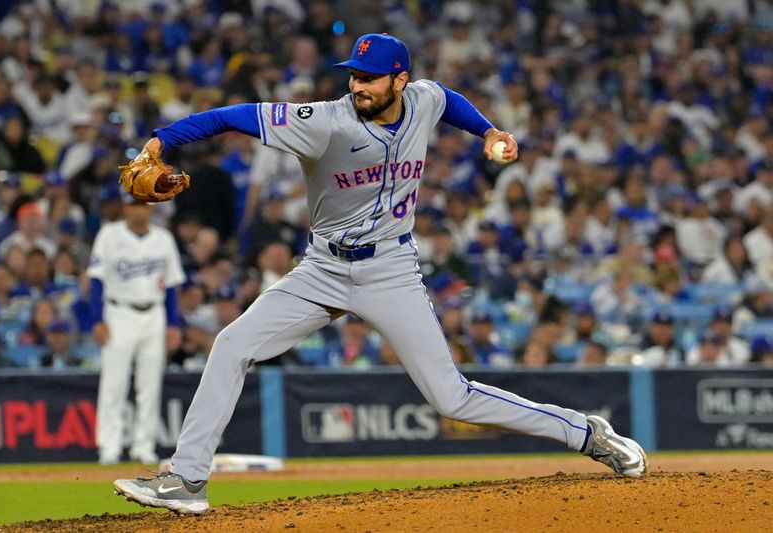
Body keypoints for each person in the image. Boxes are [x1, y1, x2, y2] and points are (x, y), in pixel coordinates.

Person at [115, 33, 647, 514]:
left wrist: (487, 132)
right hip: (322, 268)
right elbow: (230, 116)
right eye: (353, 75)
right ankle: (187, 479)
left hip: (390, 268)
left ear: (399, 80)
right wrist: (159, 142)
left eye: (369, 77)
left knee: (451, 398)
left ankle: (584, 431)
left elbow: (449, 101)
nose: (357, 85)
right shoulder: (323, 120)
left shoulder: (422, 99)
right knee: (231, 345)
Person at [89, 192, 185, 465]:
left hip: (154, 314)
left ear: (151, 209)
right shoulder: (109, 235)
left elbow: (171, 286)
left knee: (150, 383)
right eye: (133, 204)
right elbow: (95, 281)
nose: (138, 210)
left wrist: (174, 323)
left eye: (143, 204)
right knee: (114, 383)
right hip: (118, 312)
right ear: (124, 207)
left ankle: (144, 446)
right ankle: (109, 446)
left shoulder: (163, 238)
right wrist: (97, 319)